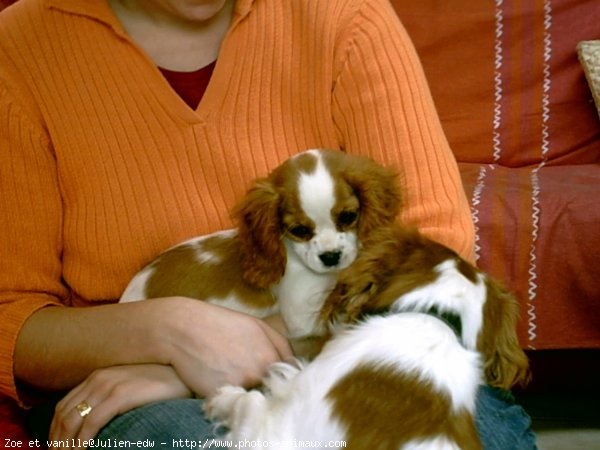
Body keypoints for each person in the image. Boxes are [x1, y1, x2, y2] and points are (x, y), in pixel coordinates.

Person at [0, 0, 536, 447]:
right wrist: (164, 332)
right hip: (125, 384)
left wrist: (198, 365)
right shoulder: (19, 48)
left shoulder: (347, 17)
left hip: (379, 349)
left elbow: (434, 254)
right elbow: (11, 319)